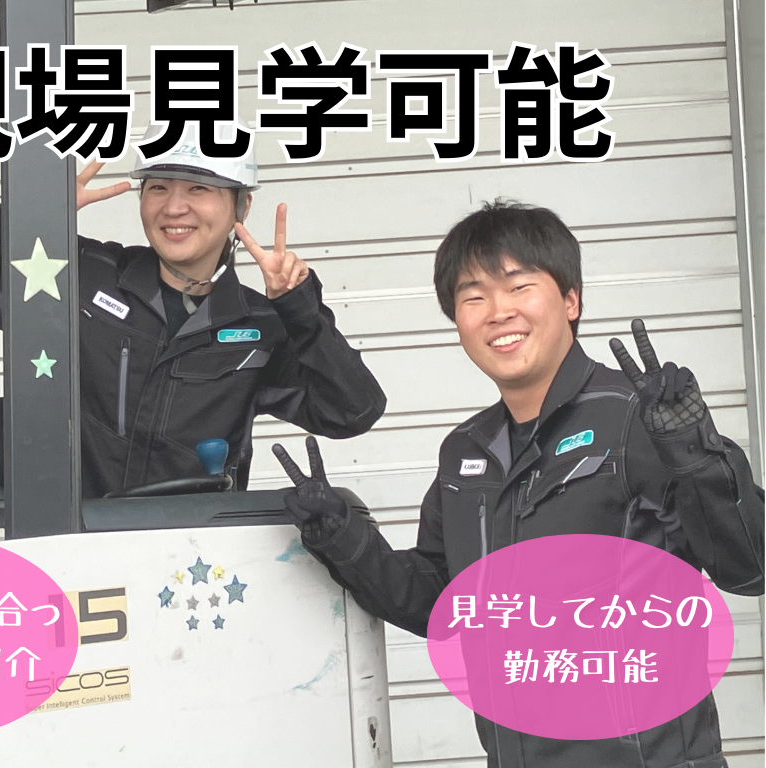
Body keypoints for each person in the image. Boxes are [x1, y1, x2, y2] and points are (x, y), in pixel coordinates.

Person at [273, 200, 764, 767]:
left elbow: (750, 566)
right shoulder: (466, 452)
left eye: (519, 286)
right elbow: (441, 604)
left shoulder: (639, 420)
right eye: (474, 297)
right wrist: (344, 539)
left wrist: (697, 455)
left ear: (571, 300)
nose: (498, 312)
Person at [0, 124, 385, 497]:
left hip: (186, 567)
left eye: (198, 189)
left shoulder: (260, 326)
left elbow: (352, 412)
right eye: (158, 187)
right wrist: (34, 214)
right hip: (67, 544)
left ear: (241, 206)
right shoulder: (84, 274)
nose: (174, 207)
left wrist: (300, 309)